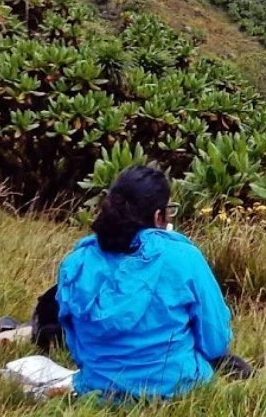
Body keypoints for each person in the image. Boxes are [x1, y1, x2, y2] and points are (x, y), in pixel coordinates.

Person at [57, 165, 250, 399]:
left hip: (96, 390)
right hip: (178, 388)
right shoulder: (185, 257)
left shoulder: (75, 263)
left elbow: (75, 344)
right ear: (159, 216)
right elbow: (215, 340)